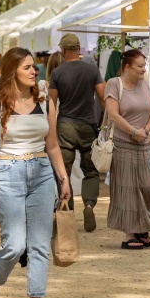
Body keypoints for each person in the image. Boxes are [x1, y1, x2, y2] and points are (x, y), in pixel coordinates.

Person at [0, 48, 71, 298]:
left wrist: (63, 178)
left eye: (33, 68)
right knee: (14, 244)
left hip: (41, 172)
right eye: (27, 67)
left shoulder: (45, 101)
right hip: (8, 170)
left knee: (39, 243)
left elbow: (52, 144)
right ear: (13, 70)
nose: (33, 71)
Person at [104, 50, 150, 249]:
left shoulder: (144, 84)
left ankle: (143, 227)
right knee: (127, 188)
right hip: (123, 144)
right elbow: (113, 114)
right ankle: (130, 232)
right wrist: (132, 132)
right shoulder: (114, 84)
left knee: (147, 186)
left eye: (144, 65)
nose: (144, 69)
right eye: (140, 66)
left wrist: (146, 130)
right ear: (127, 67)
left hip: (144, 142)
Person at [48, 33, 105, 232]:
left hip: (65, 126)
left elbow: (52, 103)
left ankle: (68, 211)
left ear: (63, 50)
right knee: (91, 170)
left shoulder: (57, 73)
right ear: (78, 49)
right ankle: (89, 205)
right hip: (88, 125)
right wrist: (105, 122)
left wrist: (50, 128)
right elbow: (103, 97)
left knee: (64, 171)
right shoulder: (92, 70)